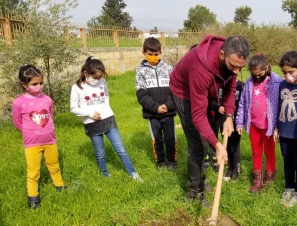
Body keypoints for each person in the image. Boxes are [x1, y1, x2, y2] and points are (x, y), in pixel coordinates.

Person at [169, 35, 249, 207]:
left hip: (204, 91)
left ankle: (200, 181)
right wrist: (218, 145)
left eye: (240, 68)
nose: (236, 72)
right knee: (198, 144)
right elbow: (198, 116)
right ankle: (194, 192)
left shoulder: (231, 61)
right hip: (183, 92)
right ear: (221, 55)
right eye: (233, 66)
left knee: (205, 138)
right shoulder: (201, 69)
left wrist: (229, 115)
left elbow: (230, 88)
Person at [70, 57, 143, 182]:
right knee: (100, 152)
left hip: (108, 120)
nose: (97, 80)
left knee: (121, 149)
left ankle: (132, 173)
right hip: (92, 123)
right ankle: (105, 175)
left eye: (99, 77)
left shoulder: (103, 82)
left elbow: (106, 96)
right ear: (86, 73)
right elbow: (73, 108)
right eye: (95, 77)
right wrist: (90, 113)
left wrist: (106, 111)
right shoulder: (77, 88)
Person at [12, 64, 65, 209]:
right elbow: (17, 122)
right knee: (33, 171)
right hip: (32, 144)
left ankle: (60, 185)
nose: (39, 86)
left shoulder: (47, 99)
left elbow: (50, 115)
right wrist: (30, 132)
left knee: (54, 165)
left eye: (41, 83)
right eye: (34, 84)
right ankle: (33, 197)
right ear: (24, 84)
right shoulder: (18, 102)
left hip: (50, 140)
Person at [235, 53, 282, 192]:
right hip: (253, 125)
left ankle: (270, 176)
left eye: (260, 74)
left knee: (269, 151)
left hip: (269, 127)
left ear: (267, 68)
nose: (257, 77)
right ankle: (257, 178)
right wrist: (239, 123)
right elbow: (242, 103)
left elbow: (280, 106)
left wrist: (278, 127)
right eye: (254, 74)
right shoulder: (249, 83)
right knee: (256, 151)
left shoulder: (276, 82)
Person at [135, 37, 177, 170]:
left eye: (156, 54)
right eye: (150, 54)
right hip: (153, 114)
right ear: (144, 53)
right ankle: (161, 162)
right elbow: (141, 95)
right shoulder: (140, 72)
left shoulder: (169, 69)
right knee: (157, 139)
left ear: (160, 53)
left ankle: (172, 161)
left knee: (170, 138)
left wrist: (168, 105)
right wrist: (156, 107)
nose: (153, 57)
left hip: (168, 112)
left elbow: (176, 91)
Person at [276, 51, 297, 207]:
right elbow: (279, 107)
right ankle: (289, 188)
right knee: (287, 161)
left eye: (291, 72)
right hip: (284, 132)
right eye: (284, 72)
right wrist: (277, 128)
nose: (288, 75)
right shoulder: (282, 85)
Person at [224, 79, 244, 181]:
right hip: (225, 121)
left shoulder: (241, 85)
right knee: (227, 145)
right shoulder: (222, 84)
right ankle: (229, 168)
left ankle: (236, 169)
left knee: (235, 146)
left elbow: (243, 103)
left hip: (237, 121)